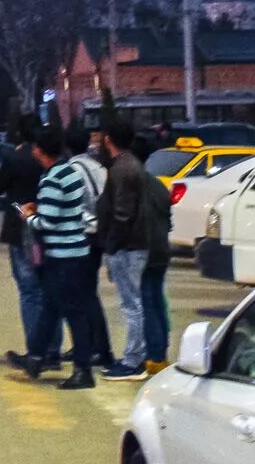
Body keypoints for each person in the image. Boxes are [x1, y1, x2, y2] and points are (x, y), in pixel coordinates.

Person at [21, 137, 96, 389]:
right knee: (52, 306)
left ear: (40, 150)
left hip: (62, 256)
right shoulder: (71, 172)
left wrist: (29, 217)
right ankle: (36, 357)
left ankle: (83, 370)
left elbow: (48, 222)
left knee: (72, 311)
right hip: (77, 251)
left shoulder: (51, 178)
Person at [0, 121, 61, 368]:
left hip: (22, 228)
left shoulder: (16, 158)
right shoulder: (57, 161)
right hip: (50, 228)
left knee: (30, 291)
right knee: (48, 290)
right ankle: (53, 349)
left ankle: (36, 350)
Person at [97, 119, 151, 381]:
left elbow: (122, 213)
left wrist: (111, 246)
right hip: (134, 244)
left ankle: (133, 360)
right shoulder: (131, 166)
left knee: (131, 304)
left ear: (109, 140)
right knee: (134, 303)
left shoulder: (122, 169)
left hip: (128, 246)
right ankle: (135, 356)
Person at [65, 128, 114, 370]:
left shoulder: (72, 171)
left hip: (83, 234)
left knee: (83, 295)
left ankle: (99, 348)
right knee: (87, 292)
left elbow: (74, 206)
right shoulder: (100, 168)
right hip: (100, 235)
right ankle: (86, 344)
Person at [140, 169, 174, 376]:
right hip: (162, 249)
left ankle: (153, 354)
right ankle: (160, 352)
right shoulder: (159, 184)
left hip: (145, 251)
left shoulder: (135, 186)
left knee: (147, 304)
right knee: (157, 301)